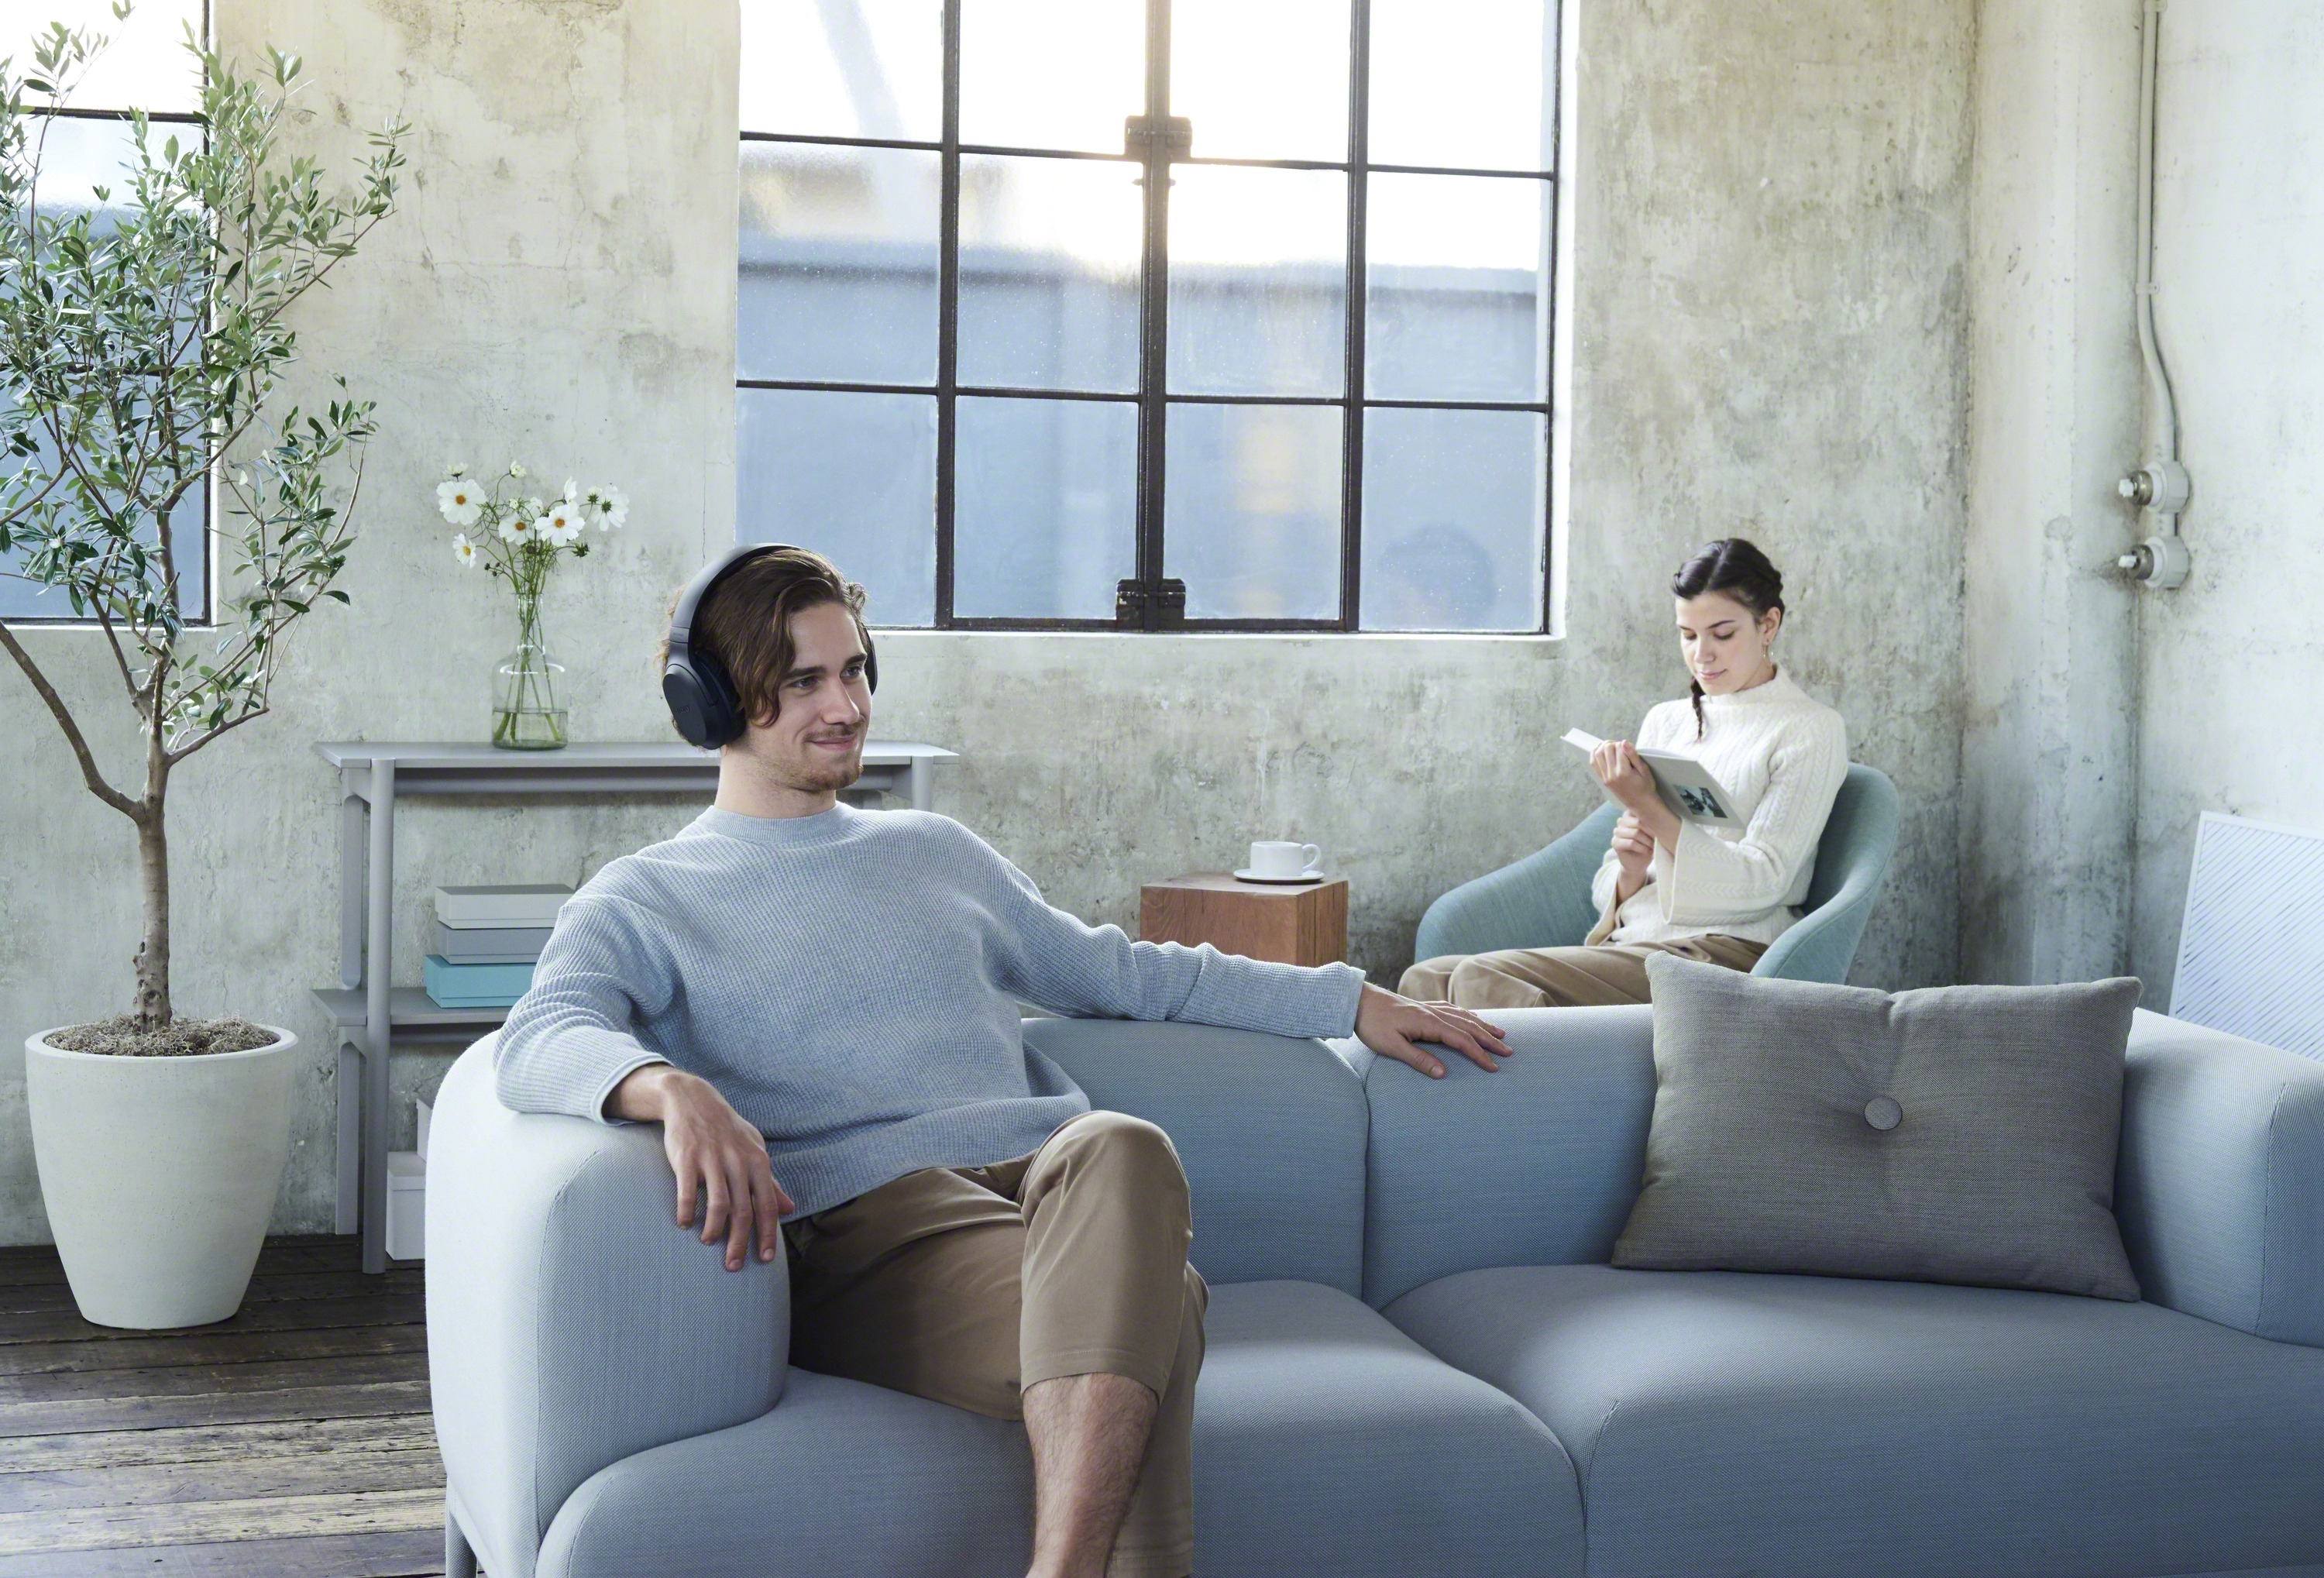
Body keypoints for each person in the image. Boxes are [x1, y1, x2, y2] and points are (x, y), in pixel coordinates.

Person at [493, 544, 1508, 1578]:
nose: (844, 705)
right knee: (1166, 1309)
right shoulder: (650, 895)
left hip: (1047, 1194)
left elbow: (1122, 972)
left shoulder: (937, 851)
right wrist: (664, 1086)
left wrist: (1346, 1000)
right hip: (869, 1236)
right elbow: (538, 1032)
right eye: (803, 681)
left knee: (1119, 1142)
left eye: (854, 671)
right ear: (710, 701)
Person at [1401, 537, 1848, 1008]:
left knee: (1480, 978)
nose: (1702, 656)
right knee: (1426, 980)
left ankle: (1542, 1082)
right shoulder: (1667, 720)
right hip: (1634, 944)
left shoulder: (1809, 730)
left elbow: (1768, 880)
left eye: (1723, 634)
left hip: (1723, 953)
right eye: (1688, 635)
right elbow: (1609, 882)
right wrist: (1631, 871)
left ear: (1768, 624)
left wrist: (1649, 807)